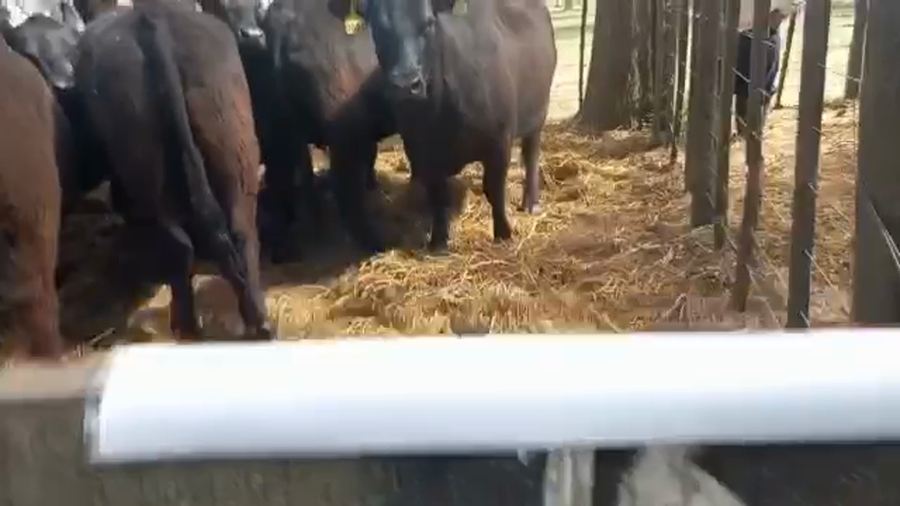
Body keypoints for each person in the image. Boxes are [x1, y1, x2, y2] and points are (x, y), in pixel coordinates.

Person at [734, 7, 788, 138]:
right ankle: (746, 132)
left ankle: (752, 133)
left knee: (758, 83)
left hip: (761, 29)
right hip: (747, 29)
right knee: (745, 83)